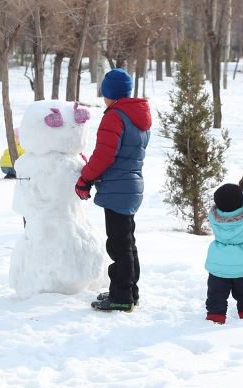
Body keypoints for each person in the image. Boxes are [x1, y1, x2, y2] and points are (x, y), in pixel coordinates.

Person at [75, 68, 152, 312]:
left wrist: (85, 179)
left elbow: (105, 154)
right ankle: (130, 290)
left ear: (109, 93)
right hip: (131, 185)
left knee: (119, 246)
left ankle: (121, 297)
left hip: (119, 187)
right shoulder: (138, 116)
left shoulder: (115, 116)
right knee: (127, 243)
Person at [205, 183, 243, 324]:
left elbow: (215, 207)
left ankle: (215, 315)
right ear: (241, 201)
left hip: (218, 267)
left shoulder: (213, 217)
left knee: (216, 293)